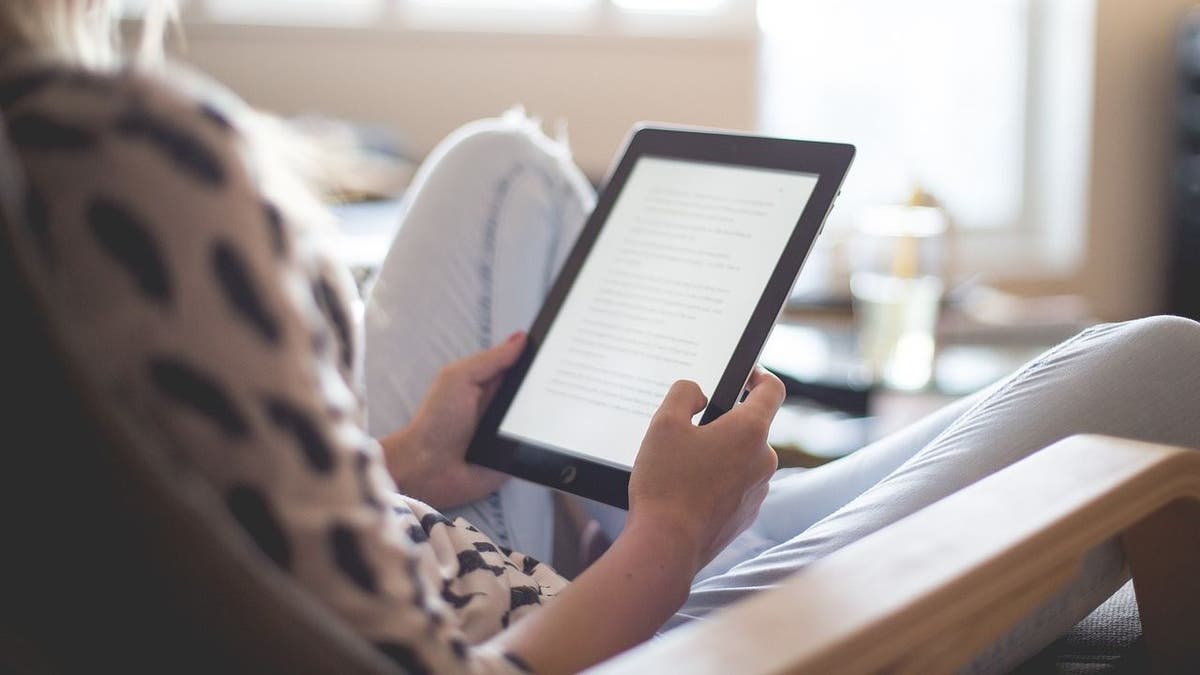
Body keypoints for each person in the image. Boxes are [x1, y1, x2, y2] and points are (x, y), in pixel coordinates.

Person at [2, 2, 1198, 673]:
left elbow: (217, 518)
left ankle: (628, 499)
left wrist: (410, 461)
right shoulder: (110, 162)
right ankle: (665, 519)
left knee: (503, 166)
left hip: (459, 552)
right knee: (1164, 366)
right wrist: (665, 543)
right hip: (614, 643)